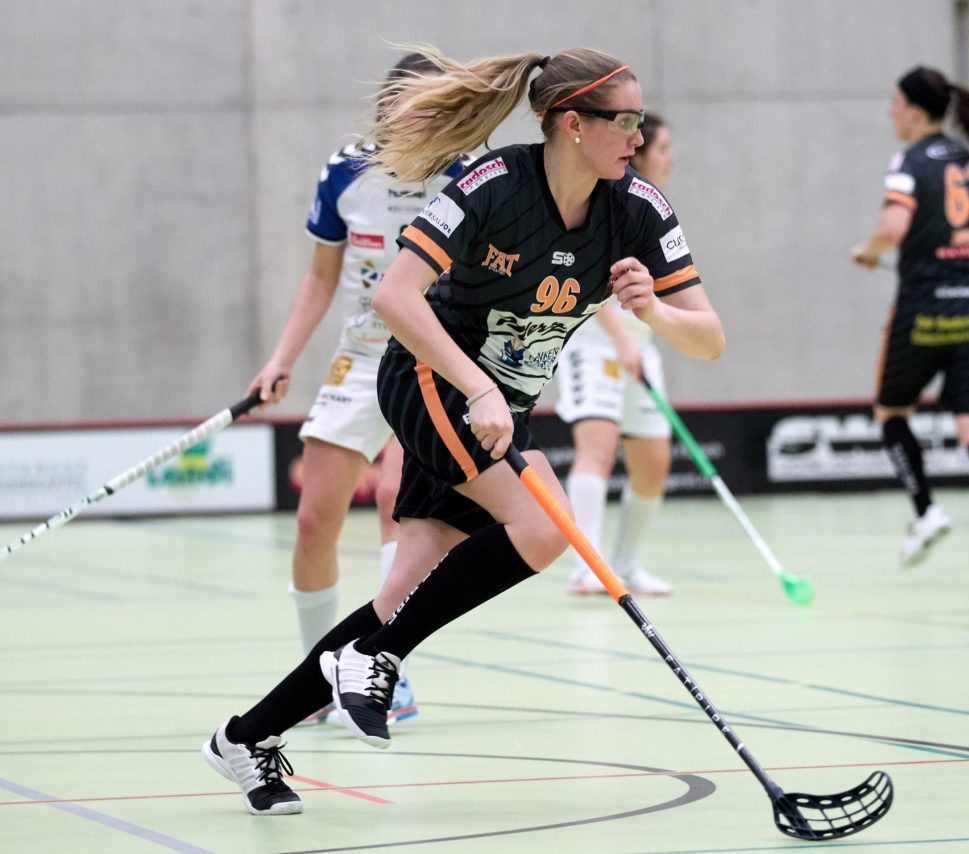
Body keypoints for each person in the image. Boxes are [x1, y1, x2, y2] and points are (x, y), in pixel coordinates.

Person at [202, 45, 724, 816]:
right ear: (572, 124)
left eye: (641, 121)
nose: (639, 137)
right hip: (429, 379)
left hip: (497, 408)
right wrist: (476, 384)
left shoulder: (638, 207)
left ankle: (244, 738)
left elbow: (708, 337)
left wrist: (653, 310)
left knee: (399, 595)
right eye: (626, 121)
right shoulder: (494, 183)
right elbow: (397, 300)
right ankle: (377, 661)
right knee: (549, 530)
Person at [246, 53, 470, 728]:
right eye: (418, 103)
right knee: (316, 519)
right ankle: (316, 673)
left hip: (432, 357)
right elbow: (320, 279)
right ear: (389, 106)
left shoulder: (467, 173)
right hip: (362, 355)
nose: (429, 116)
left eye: (442, 105)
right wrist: (280, 359)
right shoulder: (346, 171)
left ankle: (381, 670)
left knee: (400, 510)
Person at [851, 65, 969, 586]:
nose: (890, 112)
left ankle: (927, 510)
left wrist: (868, 250)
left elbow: (892, 226)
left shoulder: (908, 161)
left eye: (894, 103)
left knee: (891, 409)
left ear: (914, 110)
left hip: (927, 309)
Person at [556, 112, 678, 596]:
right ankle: (587, 567)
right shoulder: (610, 200)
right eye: (662, 148)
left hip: (639, 350)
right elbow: (593, 279)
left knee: (653, 463)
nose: (670, 157)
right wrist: (622, 341)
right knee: (597, 451)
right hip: (595, 343)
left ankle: (625, 566)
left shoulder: (657, 208)